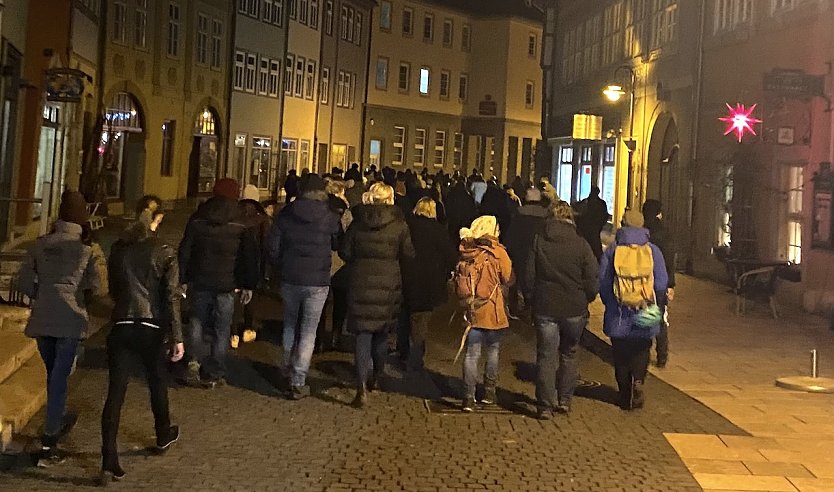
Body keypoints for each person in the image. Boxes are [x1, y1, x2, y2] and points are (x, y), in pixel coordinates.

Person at [18, 191, 101, 463]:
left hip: (42, 319)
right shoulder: (86, 250)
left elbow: (24, 282)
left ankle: (56, 419)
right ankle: (50, 438)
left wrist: (40, 296)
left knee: (53, 375)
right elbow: (95, 286)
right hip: (71, 321)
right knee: (59, 379)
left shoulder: (40, 245)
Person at [100, 215, 183, 483]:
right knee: (157, 380)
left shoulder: (118, 252)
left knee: (115, 392)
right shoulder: (164, 252)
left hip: (122, 323)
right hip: (151, 324)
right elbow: (170, 297)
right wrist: (177, 336)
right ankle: (162, 433)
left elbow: (114, 290)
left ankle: (109, 458)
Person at [339, 183, 415, 408]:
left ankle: (361, 386)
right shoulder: (399, 225)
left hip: (361, 282)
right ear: (391, 199)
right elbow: (408, 254)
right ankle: (377, 374)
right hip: (388, 283)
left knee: (362, 335)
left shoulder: (358, 222)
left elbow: (344, 251)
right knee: (382, 333)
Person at [178, 178, 259, 388]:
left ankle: (194, 362)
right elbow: (248, 256)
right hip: (227, 283)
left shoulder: (198, 217)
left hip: (200, 279)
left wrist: (183, 278)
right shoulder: (241, 221)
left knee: (197, 321)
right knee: (222, 327)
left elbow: (185, 250)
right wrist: (248, 284)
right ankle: (216, 369)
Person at [268, 173, 340, 399]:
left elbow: (273, 247)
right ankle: (299, 378)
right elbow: (338, 243)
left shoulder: (286, 214)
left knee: (290, 325)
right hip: (317, 280)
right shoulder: (329, 217)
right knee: (309, 331)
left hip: (291, 276)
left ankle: (287, 369)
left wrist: (280, 265)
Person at [524, 202, 598, 418]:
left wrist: (530, 299)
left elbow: (529, 275)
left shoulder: (539, 241)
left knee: (546, 356)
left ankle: (545, 405)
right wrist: (587, 298)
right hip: (574, 308)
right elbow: (592, 278)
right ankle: (564, 399)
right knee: (570, 354)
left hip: (546, 306)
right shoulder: (581, 245)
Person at [599, 209, 668, 410]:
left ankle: (624, 394)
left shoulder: (613, 250)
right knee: (642, 348)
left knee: (620, 354)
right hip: (645, 308)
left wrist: (610, 303)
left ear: (622, 225)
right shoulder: (653, 250)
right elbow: (661, 283)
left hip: (618, 312)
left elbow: (603, 281)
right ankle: (638, 381)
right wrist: (656, 305)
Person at [456, 216, 513, 412]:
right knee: (493, 351)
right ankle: (489, 392)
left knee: (471, 354)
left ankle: (468, 397)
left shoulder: (468, 250)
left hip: (472, 309)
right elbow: (507, 278)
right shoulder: (498, 253)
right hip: (493, 309)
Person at [402, 198, 457, 372]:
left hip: (405, 277)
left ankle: (402, 351)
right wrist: (445, 272)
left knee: (403, 316)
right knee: (420, 320)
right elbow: (451, 256)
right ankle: (416, 358)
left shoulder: (406, 226)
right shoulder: (438, 231)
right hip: (428, 281)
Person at [231, 184, 271, 348]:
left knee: (233, 297)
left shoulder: (234, 214)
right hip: (254, 262)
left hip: (235, 261)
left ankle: (233, 332)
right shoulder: (262, 219)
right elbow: (267, 245)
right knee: (250, 296)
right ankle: (248, 328)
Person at [505, 188, 549, 317]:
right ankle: (533, 305)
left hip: (520, 252)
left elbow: (511, 236)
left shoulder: (518, 215)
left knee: (517, 278)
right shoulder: (545, 217)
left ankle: (515, 308)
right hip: (539, 252)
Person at [642, 199, 676, 368]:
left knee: (642, 317)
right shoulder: (664, 233)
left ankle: (643, 355)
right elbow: (670, 259)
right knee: (659, 318)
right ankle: (661, 355)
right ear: (658, 213)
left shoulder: (641, 231)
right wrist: (671, 284)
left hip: (642, 281)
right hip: (660, 282)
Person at [575, 186, 610, 260]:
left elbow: (579, 214)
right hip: (595, 229)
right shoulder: (601, 203)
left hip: (586, 229)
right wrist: (600, 225)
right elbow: (605, 216)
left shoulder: (585, 202)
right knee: (596, 247)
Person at [444, 178, 478, 242]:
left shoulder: (451, 195)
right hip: (464, 222)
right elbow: (473, 210)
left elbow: (447, 206)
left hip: (453, 220)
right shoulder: (468, 197)